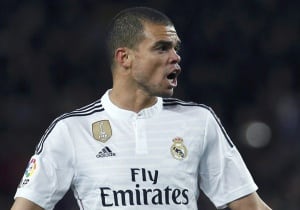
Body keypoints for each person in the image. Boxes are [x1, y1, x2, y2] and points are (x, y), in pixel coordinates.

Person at [11, 6, 272, 210]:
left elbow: (249, 205)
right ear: (124, 57)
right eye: (161, 48)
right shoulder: (71, 130)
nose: (175, 57)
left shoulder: (199, 121)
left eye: (175, 48)